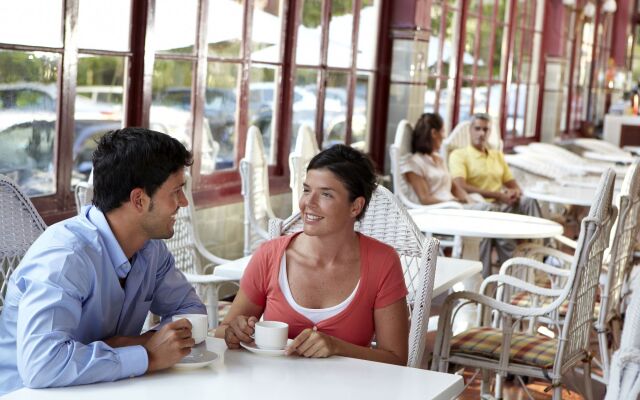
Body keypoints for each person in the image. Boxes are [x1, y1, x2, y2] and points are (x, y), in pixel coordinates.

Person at [0, 128, 206, 395]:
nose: (184, 201)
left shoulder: (151, 249)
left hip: (102, 389)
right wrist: (146, 354)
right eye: (176, 191)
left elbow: (191, 310)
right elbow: (41, 365)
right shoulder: (65, 257)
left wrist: (126, 343)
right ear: (139, 200)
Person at [216, 145, 409, 365]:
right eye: (307, 190)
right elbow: (222, 331)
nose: (308, 203)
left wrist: (337, 347)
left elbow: (396, 359)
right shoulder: (269, 255)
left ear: (356, 206)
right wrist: (234, 332)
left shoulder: (382, 262)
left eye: (326, 194)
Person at [448, 113, 542, 277]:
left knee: (529, 201)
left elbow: (511, 182)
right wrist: (498, 195)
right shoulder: (459, 154)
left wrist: (515, 192)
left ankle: (539, 254)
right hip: (480, 205)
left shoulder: (496, 155)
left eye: (485, 129)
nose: (481, 133)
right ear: (470, 130)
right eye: (477, 129)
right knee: (501, 223)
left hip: (502, 203)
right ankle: (511, 270)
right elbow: (460, 185)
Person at [401, 112, 479, 205]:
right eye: (442, 131)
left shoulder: (438, 159)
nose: (444, 136)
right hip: (440, 210)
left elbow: (454, 188)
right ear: (434, 133)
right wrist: (453, 202)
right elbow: (425, 199)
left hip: (453, 206)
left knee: (483, 206)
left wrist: (468, 200)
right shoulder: (414, 163)